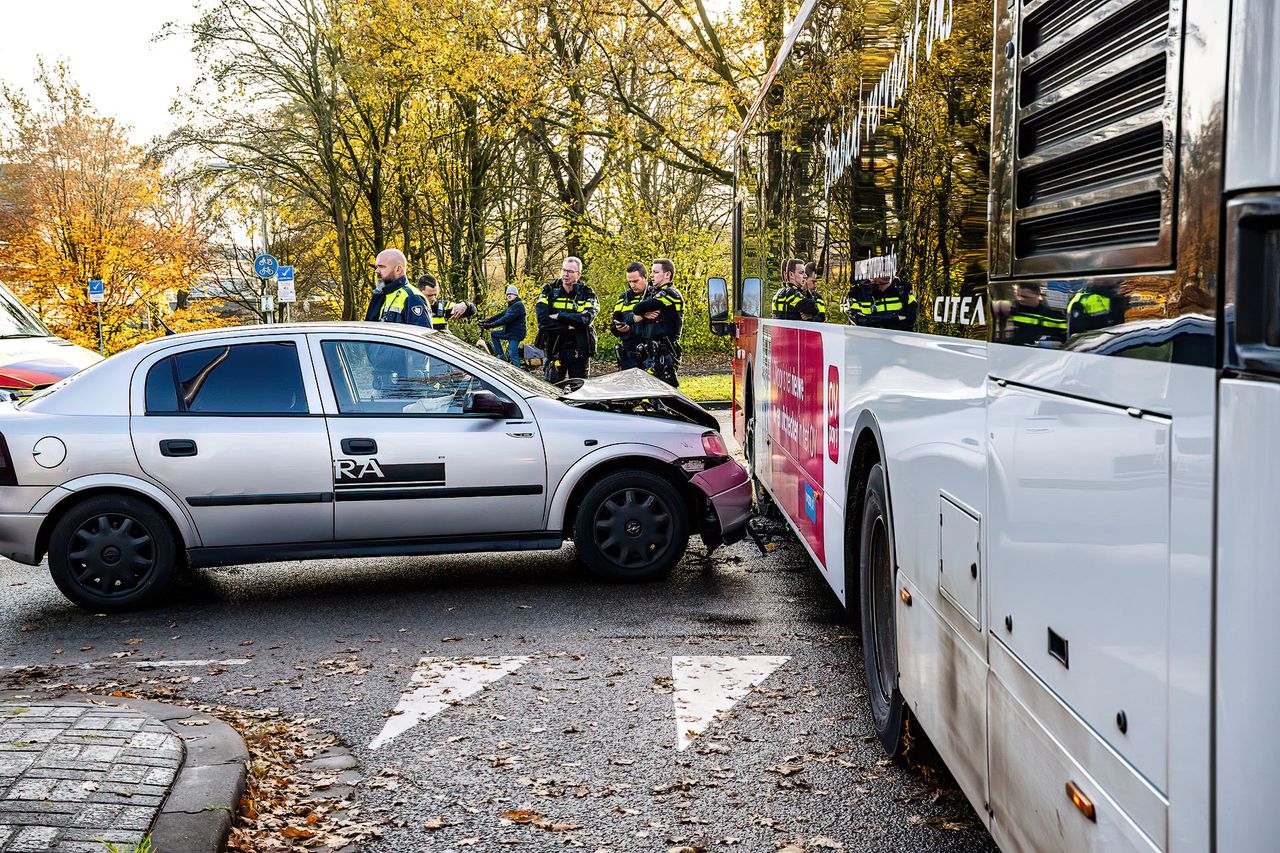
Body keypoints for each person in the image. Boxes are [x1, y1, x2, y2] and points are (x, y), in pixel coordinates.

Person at [535, 256, 599, 382]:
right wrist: (568, 326)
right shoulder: (549, 290)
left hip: (579, 350)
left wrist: (560, 316)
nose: (565, 274)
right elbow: (542, 321)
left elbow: (586, 320)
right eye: (564, 270)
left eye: (570, 271)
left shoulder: (587, 293)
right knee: (551, 390)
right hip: (554, 349)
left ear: (579, 274)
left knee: (580, 390)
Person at [365, 248, 429, 327]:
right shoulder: (381, 295)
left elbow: (421, 336)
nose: (377, 271)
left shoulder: (412, 297)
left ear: (398, 269)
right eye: (376, 267)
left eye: (382, 267)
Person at [993, 282, 1066, 346]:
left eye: (1025, 297)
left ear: (1037, 295)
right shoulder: (1010, 310)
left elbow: (1064, 338)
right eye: (1018, 296)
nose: (1020, 299)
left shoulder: (1054, 315)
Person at [610, 262, 652, 371]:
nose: (633, 285)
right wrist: (620, 328)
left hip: (650, 355)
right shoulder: (623, 298)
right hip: (629, 356)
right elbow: (613, 327)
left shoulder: (654, 295)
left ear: (645, 277)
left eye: (635, 281)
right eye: (629, 282)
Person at [844, 274, 917, 331]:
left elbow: (910, 320)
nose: (886, 275)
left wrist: (875, 321)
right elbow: (859, 320)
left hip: (899, 342)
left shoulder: (904, 289)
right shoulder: (857, 291)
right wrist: (895, 318)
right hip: (867, 343)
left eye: (887, 270)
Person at [480, 285, 527, 366]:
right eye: (507, 294)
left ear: (516, 295)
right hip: (509, 332)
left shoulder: (518, 305)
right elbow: (500, 315)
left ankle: (517, 374)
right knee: (494, 334)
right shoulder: (511, 306)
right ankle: (501, 357)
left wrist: (491, 325)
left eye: (511, 294)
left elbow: (505, 319)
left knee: (513, 355)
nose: (509, 295)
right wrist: (486, 321)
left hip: (515, 334)